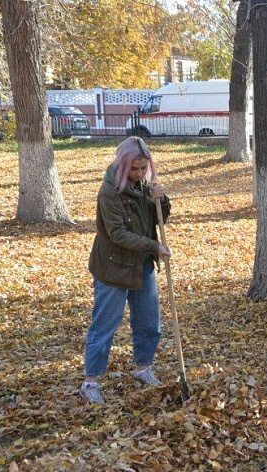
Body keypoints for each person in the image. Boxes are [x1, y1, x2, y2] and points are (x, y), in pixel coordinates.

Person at [80, 136, 172, 404]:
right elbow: (117, 234)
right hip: (113, 267)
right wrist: (153, 246)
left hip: (141, 265)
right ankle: (90, 382)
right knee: (104, 326)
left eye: (144, 168)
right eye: (134, 169)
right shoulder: (109, 192)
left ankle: (143, 368)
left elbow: (159, 218)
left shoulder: (145, 185)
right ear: (122, 165)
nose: (140, 173)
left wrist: (162, 199)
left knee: (149, 323)